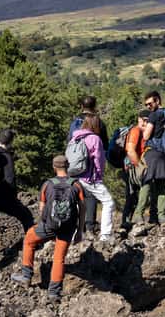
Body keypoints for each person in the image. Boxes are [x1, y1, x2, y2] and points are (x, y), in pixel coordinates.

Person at [11, 155, 84, 302]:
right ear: (68, 166)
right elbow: (83, 208)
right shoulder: (76, 185)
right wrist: (79, 231)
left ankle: (26, 276)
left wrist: (45, 225)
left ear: (54, 167)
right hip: (68, 228)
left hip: (48, 225)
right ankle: (53, 293)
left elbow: (42, 208)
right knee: (59, 259)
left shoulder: (47, 184)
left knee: (29, 240)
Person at [0, 128, 34, 265]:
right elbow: (10, 180)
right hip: (3, 196)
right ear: (11, 142)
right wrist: (13, 197)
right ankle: (33, 245)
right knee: (26, 215)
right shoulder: (6, 156)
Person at [68, 114, 117, 241]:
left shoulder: (75, 138)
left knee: (79, 205)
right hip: (89, 178)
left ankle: (75, 234)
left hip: (74, 177)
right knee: (108, 202)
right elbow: (99, 160)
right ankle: (105, 235)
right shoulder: (95, 138)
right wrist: (98, 176)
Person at [67, 96, 109, 235]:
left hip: (74, 166)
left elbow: (69, 141)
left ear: (81, 106)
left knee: (76, 195)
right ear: (95, 105)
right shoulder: (98, 122)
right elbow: (104, 146)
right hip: (90, 167)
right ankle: (90, 225)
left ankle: (75, 226)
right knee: (90, 196)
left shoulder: (75, 122)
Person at [136, 91, 165, 224]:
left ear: (157, 100)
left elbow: (146, 136)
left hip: (152, 152)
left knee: (146, 183)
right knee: (161, 186)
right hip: (164, 153)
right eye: (146, 105)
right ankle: (160, 217)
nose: (148, 107)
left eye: (150, 103)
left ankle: (139, 215)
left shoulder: (154, 115)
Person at [123, 109, 149, 225]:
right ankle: (130, 220)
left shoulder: (138, 131)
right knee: (137, 190)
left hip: (131, 165)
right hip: (132, 166)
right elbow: (130, 150)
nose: (146, 123)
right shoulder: (136, 131)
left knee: (132, 195)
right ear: (141, 120)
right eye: (145, 121)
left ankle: (127, 222)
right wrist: (140, 166)